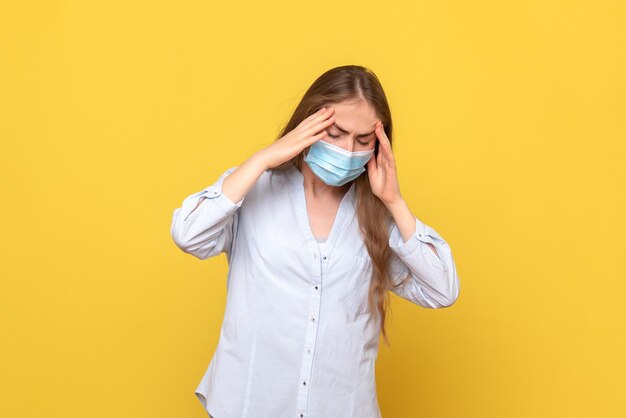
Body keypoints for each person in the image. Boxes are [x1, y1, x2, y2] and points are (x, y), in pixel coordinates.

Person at [170, 65, 460, 418]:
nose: (347, 149)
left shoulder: (376, 218)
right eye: (335, 133)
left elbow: (442, 289)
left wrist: (395, 202)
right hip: (250, 405)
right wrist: (264, 158)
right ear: (308, 125)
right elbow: (188, 234)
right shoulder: (255, 190)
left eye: (363, 141)